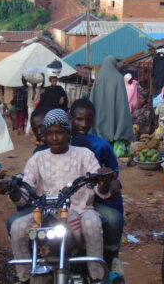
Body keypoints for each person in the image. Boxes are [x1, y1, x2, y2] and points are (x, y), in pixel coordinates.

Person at [5, 109, 111, 284]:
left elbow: (100, 190)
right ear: (44, 136)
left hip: (81, 210)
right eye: (50, 133)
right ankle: (23, 276)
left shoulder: (85, 155)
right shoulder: (37, 159)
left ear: (68, 133)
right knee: (17, 227)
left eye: (59, 132)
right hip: (45, 212)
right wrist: (14, 191)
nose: (55, 138)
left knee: (92, 224)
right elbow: (24, 195)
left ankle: (96, 277)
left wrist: (103, 181)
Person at [70, 99, 124, 267]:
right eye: (79, 119)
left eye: (88, 120)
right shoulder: (60, 140)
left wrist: (112, 180)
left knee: (114, 219)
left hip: (93, 199)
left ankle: (110, 259)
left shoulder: (100, 145)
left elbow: (112, 170)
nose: (83, 124)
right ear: (70, 117)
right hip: (63, 201)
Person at [91, 56, 133, 143]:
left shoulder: (98, 78)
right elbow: (122, 102)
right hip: (114, 118)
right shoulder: (118, 78)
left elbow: (92, 99)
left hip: (98, 118)